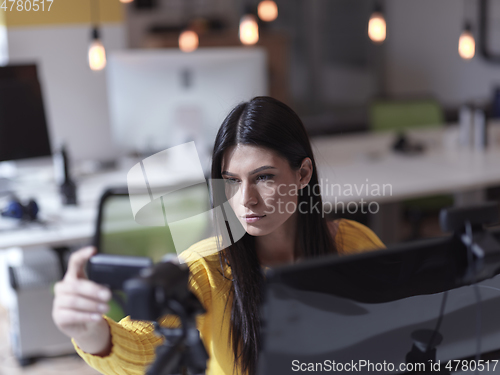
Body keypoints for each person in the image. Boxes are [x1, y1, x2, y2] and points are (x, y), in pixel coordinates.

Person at [52, 96, 385, 375]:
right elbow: (143, 345)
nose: (246, 199)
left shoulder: (352, 245)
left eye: (264, 177)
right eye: (232, 181)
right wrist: (92, 332)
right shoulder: (205, 270)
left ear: (303, 174)